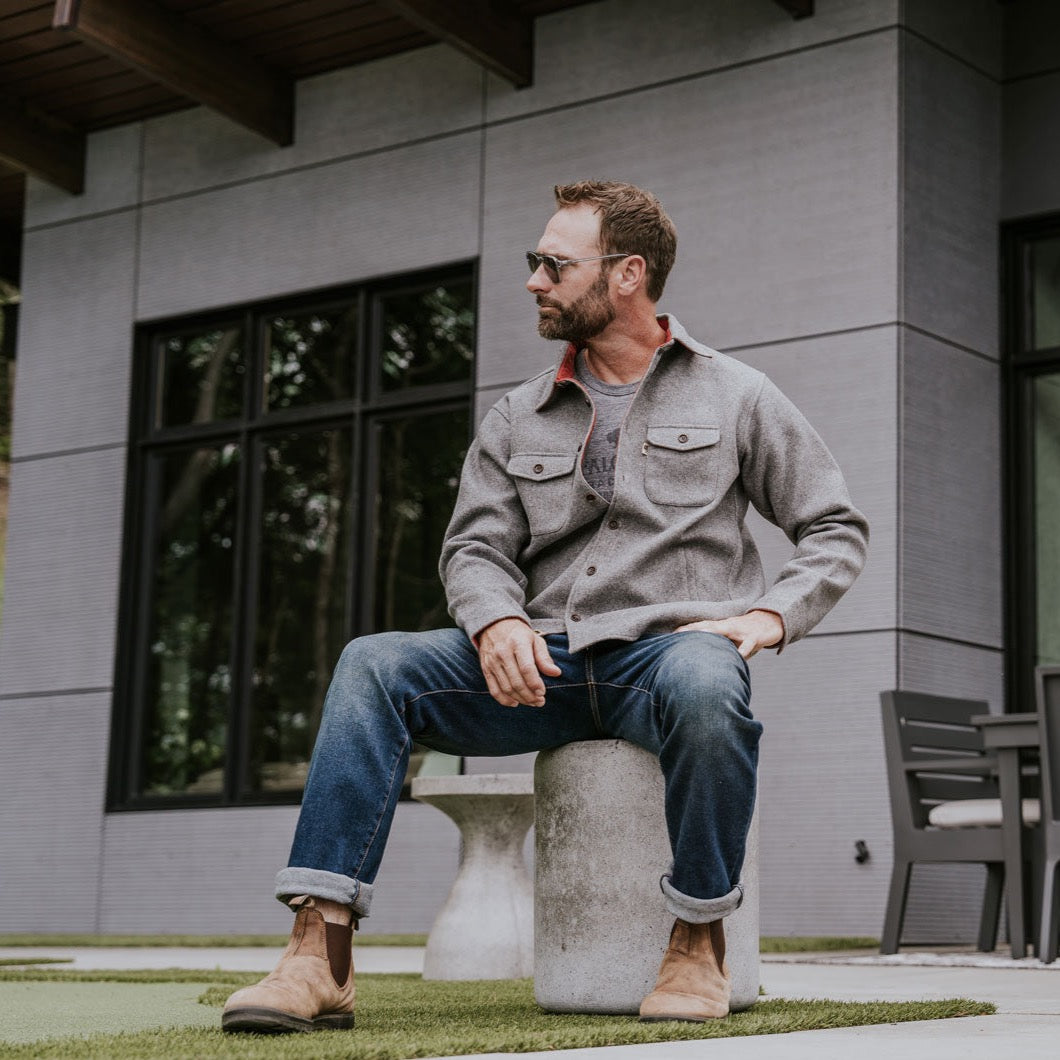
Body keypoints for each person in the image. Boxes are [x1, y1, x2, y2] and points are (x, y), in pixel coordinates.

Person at [221, 180, 869, 1033]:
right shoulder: (516, 414)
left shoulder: (739, 394)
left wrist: (769, 617)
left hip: (665, 660)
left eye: (554, 264)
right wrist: (495, 620)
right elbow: (473, 549)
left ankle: (697, 940)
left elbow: (834, 526)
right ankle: (319, 951)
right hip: (540, 666)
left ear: (628, 274)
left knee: (711, 682)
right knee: (373, 665)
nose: (534, 280)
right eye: (537, 263)